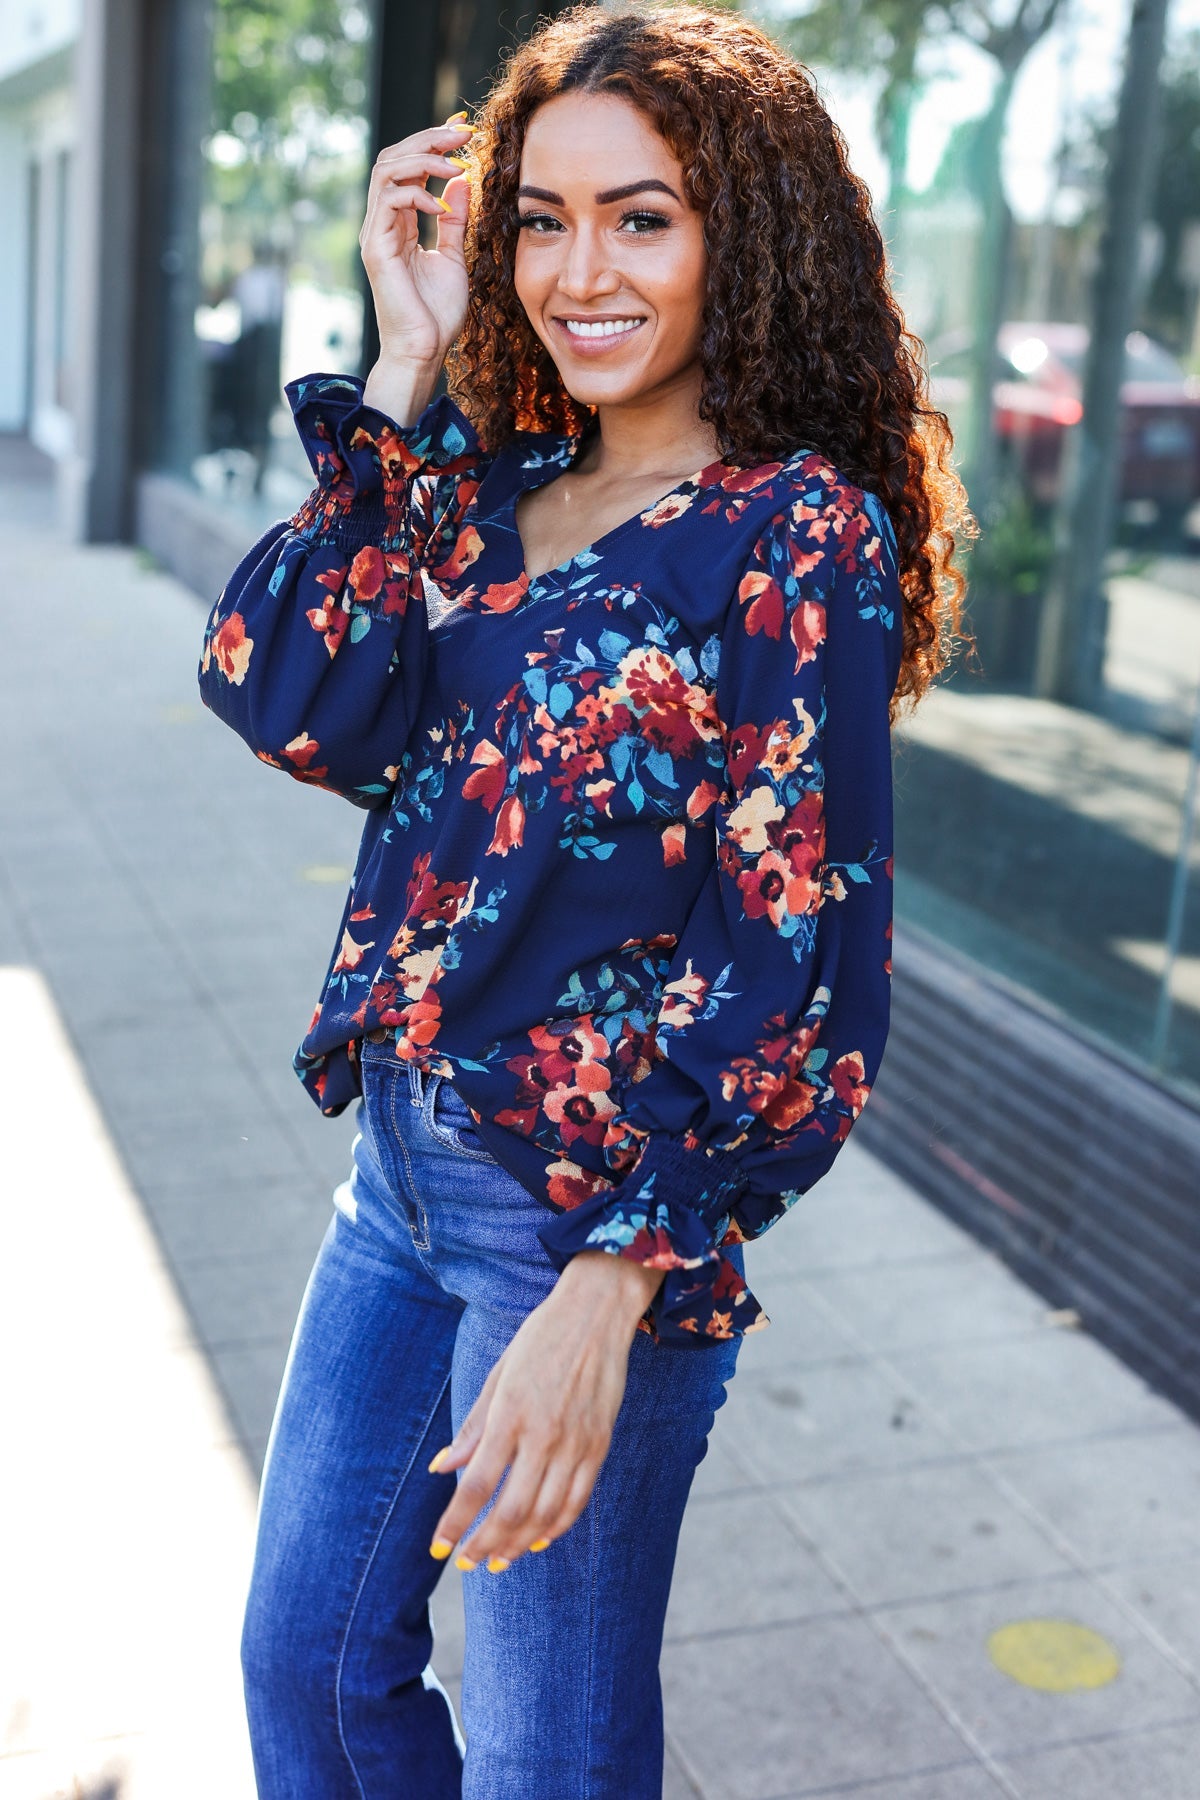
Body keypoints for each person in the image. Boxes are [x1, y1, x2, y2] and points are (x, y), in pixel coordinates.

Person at [197, 5, 973, 1795]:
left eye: (643, 216)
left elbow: (803, 964)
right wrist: (402, 367)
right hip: (396, 1173)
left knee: (549, 1759)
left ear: (745, 236)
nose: (577, 269)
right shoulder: (493, 492)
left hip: (586, 1221)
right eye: (539, 219)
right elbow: (283, 689)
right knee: (307, 1672)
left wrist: (617, 1280)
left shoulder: (795, 535)